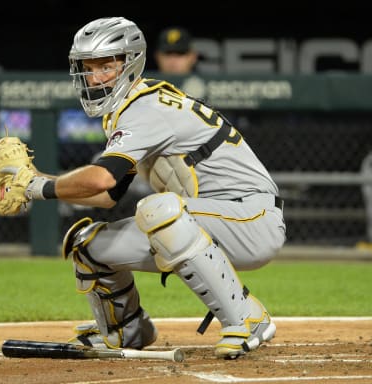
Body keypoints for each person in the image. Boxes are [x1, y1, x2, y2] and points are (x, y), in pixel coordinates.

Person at [22, 17, 286, 359]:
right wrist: (36, 182)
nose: (94, 77)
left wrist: (38, 186)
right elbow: (107, 195)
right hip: (206, 221)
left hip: (252, 218)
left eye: (106, 65)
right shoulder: (126, 111)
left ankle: (248, 318)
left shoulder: (146, 107)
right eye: (88, 68)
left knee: (158, 209)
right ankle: (127, 330)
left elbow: (101, 178)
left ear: (130, 64)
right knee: (87, 246)